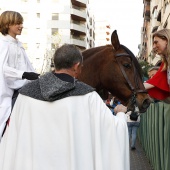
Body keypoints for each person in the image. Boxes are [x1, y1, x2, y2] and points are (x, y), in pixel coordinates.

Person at [0, 44, 130, 170]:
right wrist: (120, 114)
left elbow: (12, 140)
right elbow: (112, 131)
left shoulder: (25, 94)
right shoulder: (88, 96)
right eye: (81, 67)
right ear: (76, 66)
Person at [0, 11, 39, 139]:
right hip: (9, 93)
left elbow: (29, 68)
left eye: (21, 23)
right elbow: (3, 68)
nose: (21, 26)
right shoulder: (3, 44)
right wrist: (23, 74)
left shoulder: (18, 45)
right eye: (17, 23)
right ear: (7, 25)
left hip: (23, 88)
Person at [143, 28, 170, 101]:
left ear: (166, 40)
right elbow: (154, 82)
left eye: (156, 42)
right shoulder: (165, 64)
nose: (154, 47)